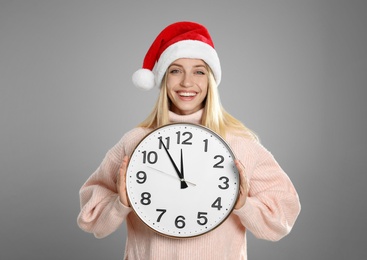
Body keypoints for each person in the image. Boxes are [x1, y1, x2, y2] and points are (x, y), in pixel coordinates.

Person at [77, 21, 301, 260]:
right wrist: (120, 202)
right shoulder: (136, 141)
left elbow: (283, 215)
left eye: (199, 71)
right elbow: (91, 219)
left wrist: (244, 206)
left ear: (211, 81)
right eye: (175, 70)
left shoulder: (239, 143)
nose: (186, 82)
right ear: (163, 79)